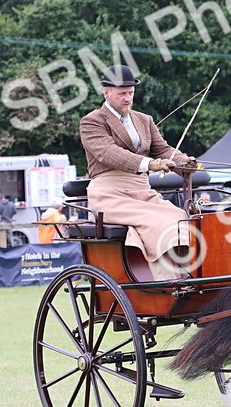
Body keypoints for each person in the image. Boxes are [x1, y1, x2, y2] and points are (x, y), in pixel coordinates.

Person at [79, 65, 197, 280]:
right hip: (109, 193)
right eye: (122, 93)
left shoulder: (144, 120)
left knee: (180, 217)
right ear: (106, 92)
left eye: (130, 93)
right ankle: (165, 280)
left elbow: (163, 149)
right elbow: (109, 153)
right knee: (159, 222)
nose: (127, 98)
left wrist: (183, 160)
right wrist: (150, 164)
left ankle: (187, 274)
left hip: (142, 190)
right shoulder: (92, 121)